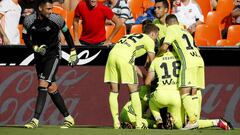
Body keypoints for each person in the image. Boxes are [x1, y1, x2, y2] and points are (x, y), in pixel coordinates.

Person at [22, 0, 78, 128]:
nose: (51, 11)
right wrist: (34, 48)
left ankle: (35, 120)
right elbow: (25, 38)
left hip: (53, 55)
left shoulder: (56, 19)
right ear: (40, 8)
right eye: (48, 9)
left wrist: (73, 51)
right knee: (51, 87)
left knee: (42, 83)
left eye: (51, 8)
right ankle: (68, 118)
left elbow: (67, 33)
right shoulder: (29, 20)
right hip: (39, 56)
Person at [104, 23, 159, 129]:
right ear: (152, 34)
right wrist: (153, 76)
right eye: (156, 36)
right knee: (134, 90)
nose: (156, 39)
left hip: (112, 55)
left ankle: (116, 123)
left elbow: (131, 62)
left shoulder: (130, 36)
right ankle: (139, 123)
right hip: (125, 58)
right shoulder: (149, 40)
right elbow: (153, 62)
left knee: (114, 91)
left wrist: (143, 75)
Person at [159, 14, 204, 130]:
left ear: (167, 23)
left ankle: (193, 120)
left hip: (188, 62)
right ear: (177, 21)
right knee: (195, 91)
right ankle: (195, 119)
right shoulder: (186, 31)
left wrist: (157, 55)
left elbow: (164, 47)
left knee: (184, 92)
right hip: (199, 59)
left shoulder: (170, 29)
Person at [145, 47, 184, 129]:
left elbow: (147, 82)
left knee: (151, 101)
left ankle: (158, 120)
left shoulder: (156, 60)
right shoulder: (180, 57)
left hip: (160, 95)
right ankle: (172, 120)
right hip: (176, 96)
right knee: (179, 125)